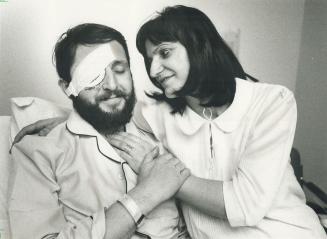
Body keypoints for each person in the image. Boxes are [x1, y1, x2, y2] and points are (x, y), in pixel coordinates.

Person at [12, 5, 326, 239]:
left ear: (198, 46)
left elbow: (246, 205)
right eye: (148, 60)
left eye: (164, 53)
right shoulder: (155, 114)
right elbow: (101, 107)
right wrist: (57, 116)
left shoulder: (272, 101)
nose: (155, 68)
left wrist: (165, 179)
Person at [8, 23, 191, 239]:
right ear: (67, 87)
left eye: (120, 70)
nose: (112, 85)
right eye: (92, 75)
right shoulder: (38, 152)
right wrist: (145, 195)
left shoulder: (161, 126)